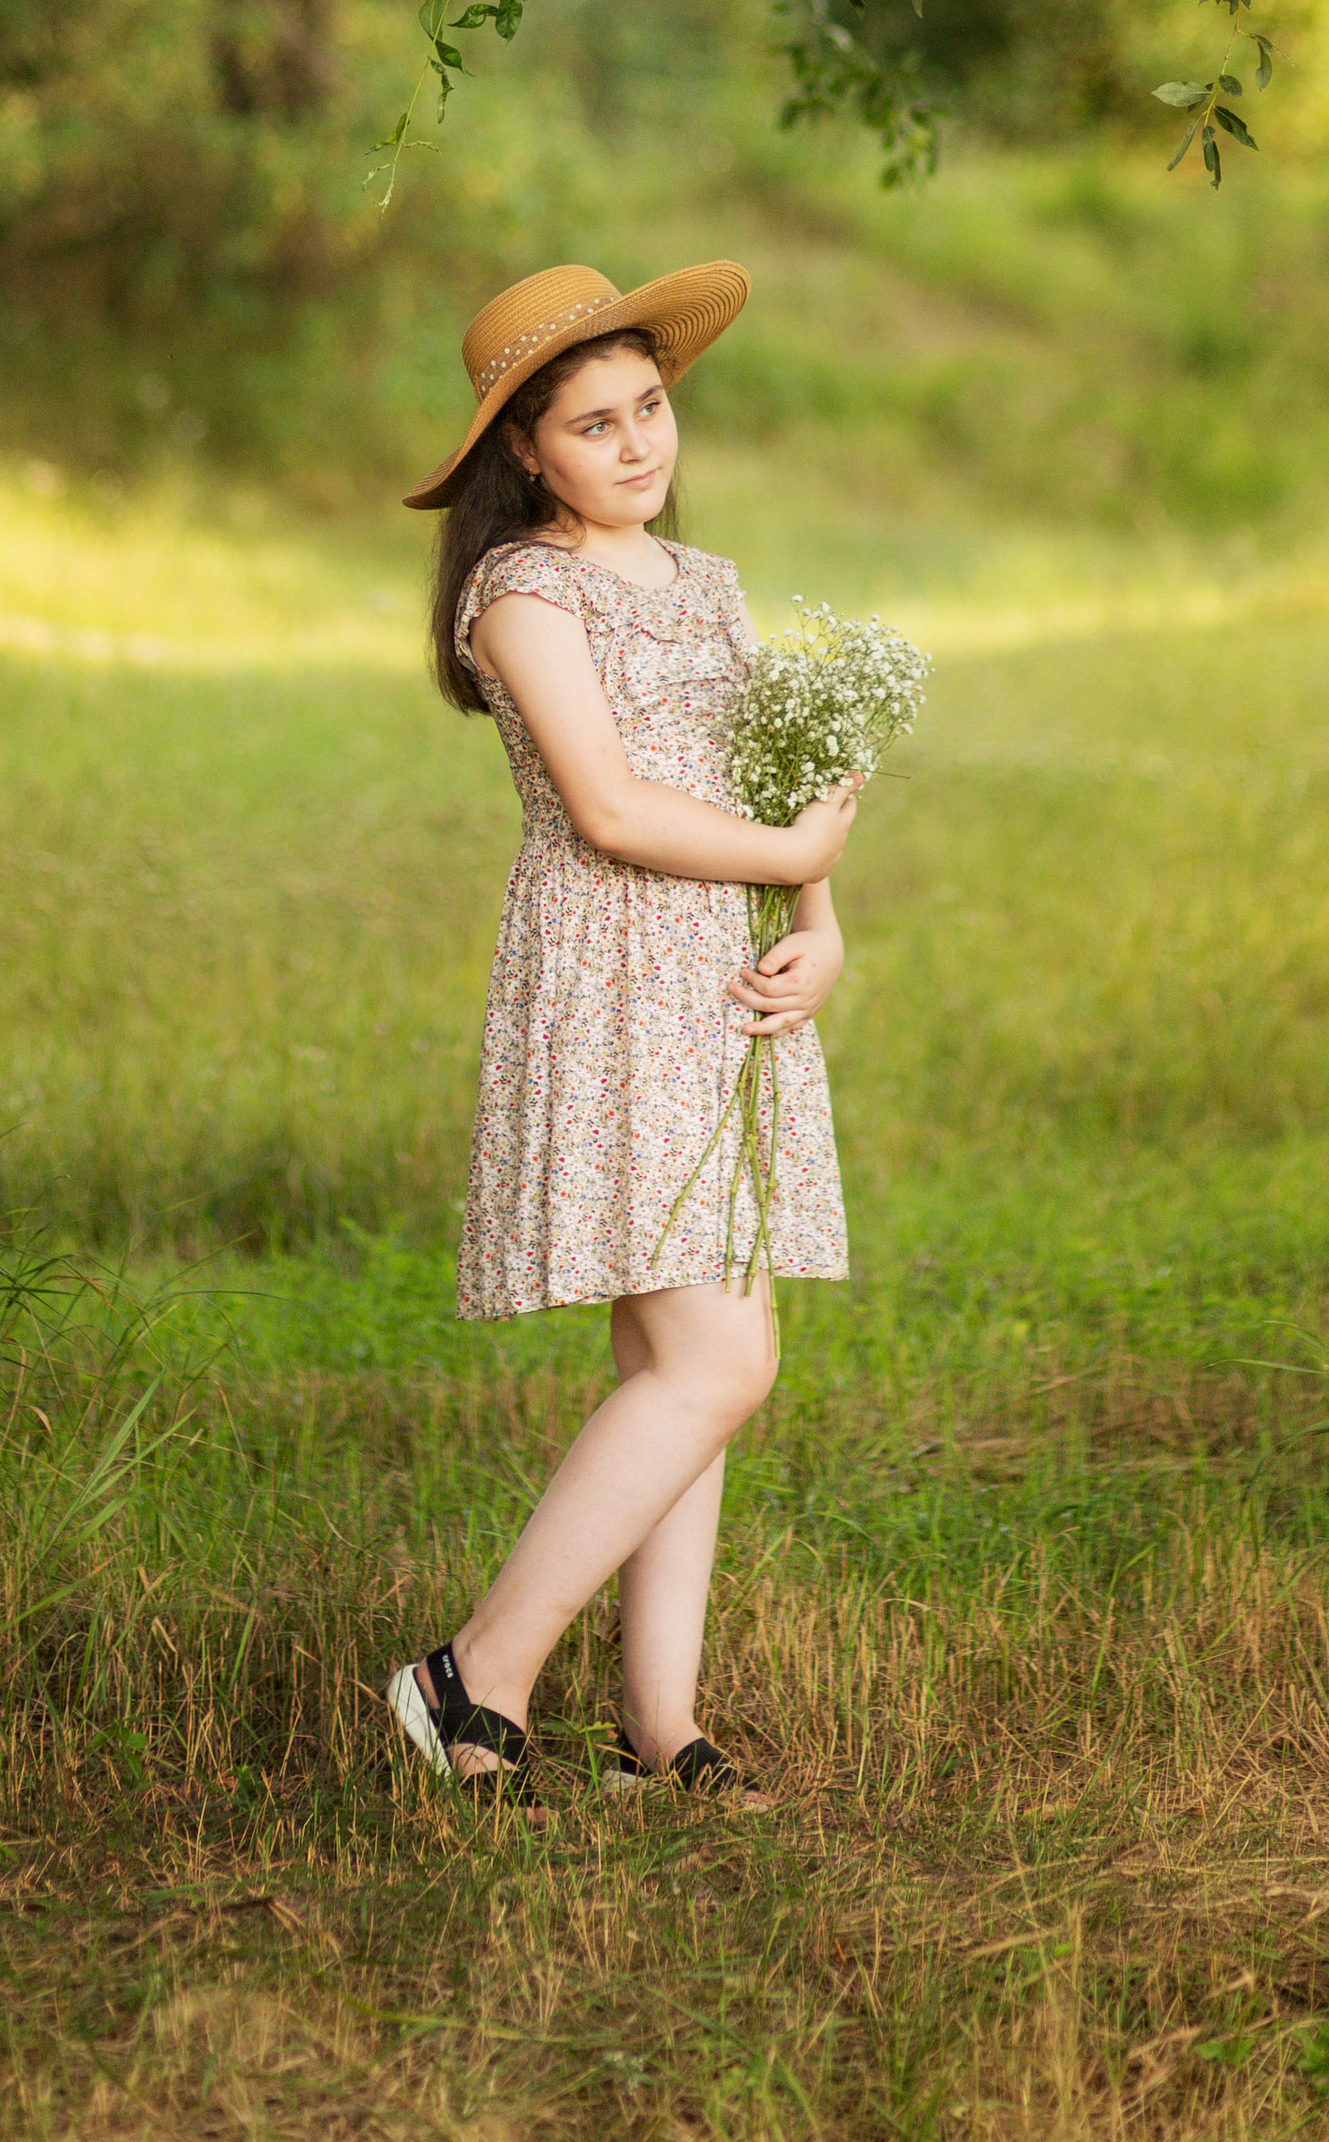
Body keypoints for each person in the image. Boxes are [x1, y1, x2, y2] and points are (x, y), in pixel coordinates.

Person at [385, 258, 857, 1809]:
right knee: (722, 1358)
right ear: (527, 450)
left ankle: (665, 1729)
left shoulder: (707, 583)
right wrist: (783, 862)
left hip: (719, 980)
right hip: (611, 981)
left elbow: (770, 796)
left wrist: (820, 922)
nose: (638, 446)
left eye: (649, 408)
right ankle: (476, 1674)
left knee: (679, 1355)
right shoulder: (522, 594)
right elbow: (609, 805)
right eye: (594, 426)